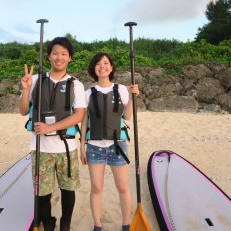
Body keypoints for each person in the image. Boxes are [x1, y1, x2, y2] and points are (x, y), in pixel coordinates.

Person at [19, 37, 86, 231]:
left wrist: (52, 127)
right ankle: (48, 222)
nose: (59, 57)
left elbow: (79, 115)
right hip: (41, 147)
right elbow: (24, 111)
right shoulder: (36, 81)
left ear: (70, 58)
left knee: (68, 189)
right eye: (55, 53)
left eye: (64, 54)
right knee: (42, 192)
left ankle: (65, 223)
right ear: (48, 56)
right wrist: (25, 90)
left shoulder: (77, 85)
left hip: (67, 147)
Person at [80, 52, 140, 231]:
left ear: (111, 67)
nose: (102, 66)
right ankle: (97, 225)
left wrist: (133, 97)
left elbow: (128, 116)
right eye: (98, 63)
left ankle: (125, 224)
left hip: (117, 145)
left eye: (106, 63)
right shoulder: (88, 93)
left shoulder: (121, 89)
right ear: (94, 68)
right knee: (96, 187)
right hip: (94, 146)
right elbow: (84, 121)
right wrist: (81, 146)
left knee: (122, 186)